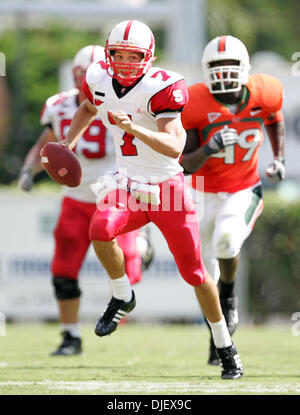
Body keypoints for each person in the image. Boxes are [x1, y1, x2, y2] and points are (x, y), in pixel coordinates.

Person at [60, 20, 243, 380]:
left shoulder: (164, 87)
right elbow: (86, 107)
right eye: (118, 54)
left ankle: (225, 345)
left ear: (150, 58)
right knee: (100, 229)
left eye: (134, 56)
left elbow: (175, 148)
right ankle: (122, 295)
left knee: (195, 273)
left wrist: (132, 128)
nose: (125, 62)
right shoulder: (97, 77)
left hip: (167, 189)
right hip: (126, 182)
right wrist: (69, 143)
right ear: (107, 53)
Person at [18, 45, 153, 356]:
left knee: (129, 268)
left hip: (114, 192)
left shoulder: (126, 102)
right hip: (75, 198)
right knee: (63, 270)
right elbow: (45, 143)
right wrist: (29, 168)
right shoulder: (59, 106)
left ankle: (141, 239)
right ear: (77, 76)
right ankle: (70, 337)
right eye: (85, 75)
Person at [181, 35, 285, 365]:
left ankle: (229, 297)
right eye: (216, 66)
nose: (224, 72)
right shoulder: (195, 101)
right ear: (205, 70)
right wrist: (208, 149)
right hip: (200, 191)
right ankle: (219, 338)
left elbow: (274, 118)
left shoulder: (265, 91)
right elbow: (184, 162)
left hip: (242, 188)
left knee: (227, 242)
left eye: (229, 65)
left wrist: (279, 156)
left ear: (245, 68)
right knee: (201, 272)